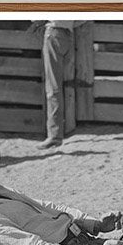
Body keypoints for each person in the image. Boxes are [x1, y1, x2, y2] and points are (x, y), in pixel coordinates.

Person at [39, 20, 80, 151]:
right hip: (68, 34)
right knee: (65, 83)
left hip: (53, 32)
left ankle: (55, 135)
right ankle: (66, 128)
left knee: (53, 87)